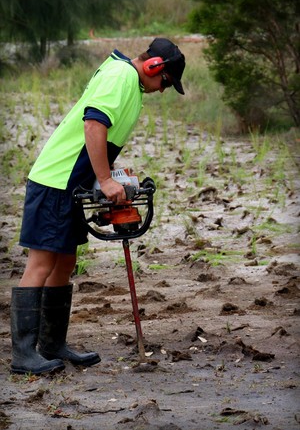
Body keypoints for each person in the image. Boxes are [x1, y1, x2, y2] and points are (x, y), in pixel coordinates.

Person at [11, 37, 186, 375]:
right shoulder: (120, 76)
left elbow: (101, 139)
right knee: (42, 261)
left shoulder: (127, 81)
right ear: (154, 67)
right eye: (165, 81)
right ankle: (22, 354)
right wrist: (105, 181)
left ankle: (51, 344)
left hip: (71, 183)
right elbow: (93, 125)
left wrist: (113, 174)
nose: (163, 90)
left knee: (65, 261)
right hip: (56, 180)